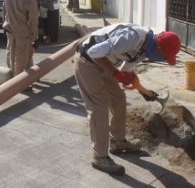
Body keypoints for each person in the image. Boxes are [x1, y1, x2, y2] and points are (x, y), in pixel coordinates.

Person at [74, 23, 181, 175]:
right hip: (87, 62)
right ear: (157, 48)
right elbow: (94, 52)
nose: (163, 59)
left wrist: (137, 85)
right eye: (164, 56)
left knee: (118, 99)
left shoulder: (144, 48)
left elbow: (126, 70)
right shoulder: (131, 38)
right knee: (99, 109)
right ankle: (100, 157)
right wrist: (116, 74)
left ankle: (118, 142)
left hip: (104, 65)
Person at [2, 0, 40, 76]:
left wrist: (4, 24)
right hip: (22, 33)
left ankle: (28, 75)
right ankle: (18, 83)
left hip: (9, 29)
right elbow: (33, 22)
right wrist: (34, 38)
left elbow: (4, 10)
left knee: (11, 52)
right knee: (20, 58)